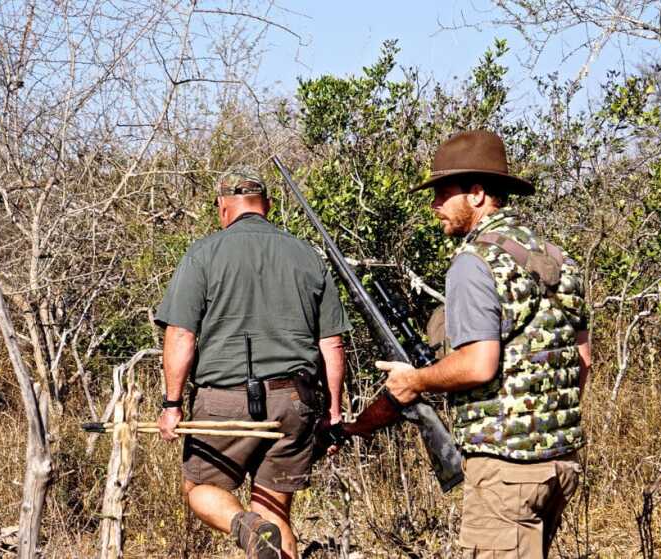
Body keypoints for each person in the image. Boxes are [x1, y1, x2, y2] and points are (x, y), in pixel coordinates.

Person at [372, 130, 591, 558]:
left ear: (476, 194)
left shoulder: (475, 261)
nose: (435, 205)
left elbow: (478, 364)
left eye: (442, 192)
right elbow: (582, 361)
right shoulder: (557, 257)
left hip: (506, 470)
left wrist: (415, 381)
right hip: (561, 465)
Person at [154, 166, 351, 559]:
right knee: (275, 512)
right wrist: (331, 412)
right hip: (293, 403)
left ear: (222, 208)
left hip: (223, 402)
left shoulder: (204, 253)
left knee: (201, 491)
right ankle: (260, 527)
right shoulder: (306, 255)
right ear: (268, 207)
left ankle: (244, 525)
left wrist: (172, 405)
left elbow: (180, 335)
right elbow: (331, 343)